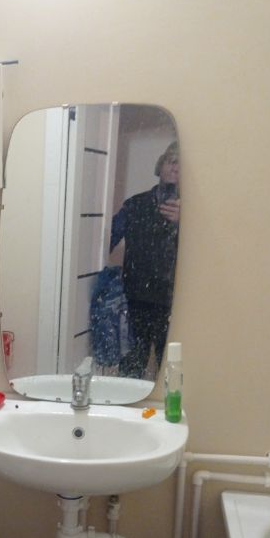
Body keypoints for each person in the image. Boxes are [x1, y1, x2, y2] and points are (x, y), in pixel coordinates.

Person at [109, 142, 180, 378]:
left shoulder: (194, 213)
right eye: (171, 160)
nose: (175, 167)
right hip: (135, 299)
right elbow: (103, 242)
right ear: (160, 165)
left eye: (181, 164)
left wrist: (184, 223)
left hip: (173, 302)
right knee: (131, 366)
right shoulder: (135, 205)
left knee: (171, 366)